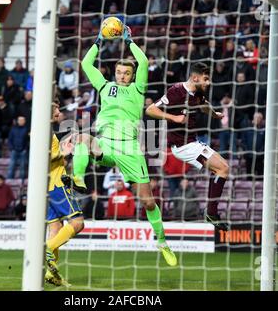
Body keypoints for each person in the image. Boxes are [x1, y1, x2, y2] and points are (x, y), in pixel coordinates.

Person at [62, 25, 183, 267]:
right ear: (115, 73)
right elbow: (86, 65)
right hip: (106, 142)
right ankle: (78, 179)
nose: (122, 76)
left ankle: (162, 242)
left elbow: (143, 60)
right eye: (119, 72)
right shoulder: (105, 87)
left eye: (126, 73)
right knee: (82, 138)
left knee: (148, 202)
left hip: (130, 149)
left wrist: (130, 41)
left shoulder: (138, 89)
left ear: (132, 75)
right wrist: (97, 42)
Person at [146, 62, 229, 230]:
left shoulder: (197, 93)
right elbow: (150, 110)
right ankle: (211, 213)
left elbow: (204, 105)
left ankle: (211, 212)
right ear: (195, 77)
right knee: (223, 168)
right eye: (205, 79)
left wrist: (215, 114)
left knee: (222, 169)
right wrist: (173, 118)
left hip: (192, 142)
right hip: (182, 145)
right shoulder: (176, 91)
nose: (208, 83)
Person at [45, 101, 84, 287]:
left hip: (45, 188)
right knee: (77, 223)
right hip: (57, 186)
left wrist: (61, 150)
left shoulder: (45, 131)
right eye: (56, 110)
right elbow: (43, 157)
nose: (59, 113)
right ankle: (48, 249)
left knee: (55, 229)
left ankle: (50, 273)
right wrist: (64, 153)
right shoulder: (45, 132)